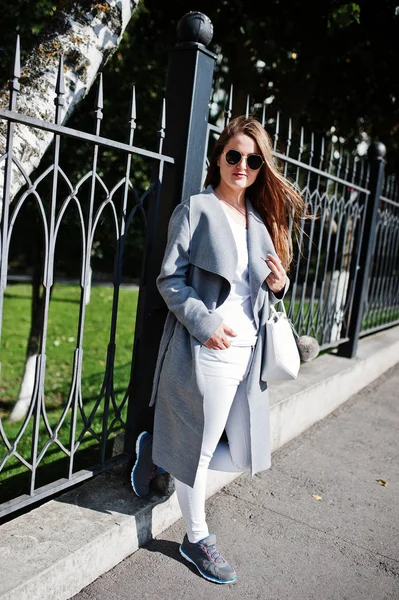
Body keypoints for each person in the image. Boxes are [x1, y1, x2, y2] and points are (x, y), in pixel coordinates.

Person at [131, 116, 306, 584]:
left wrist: (279, 284)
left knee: (246, 452)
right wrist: (204, 325)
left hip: (251, 353)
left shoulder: (259, 222)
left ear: (260, 166)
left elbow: (259, 292)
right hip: (207, 349)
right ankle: (195, 538)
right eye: (234, 155)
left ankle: (163, 451)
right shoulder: (197, 210)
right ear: (219, 157)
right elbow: (169, 279)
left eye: (252, 159)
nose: (242, 165)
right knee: (204, 452)